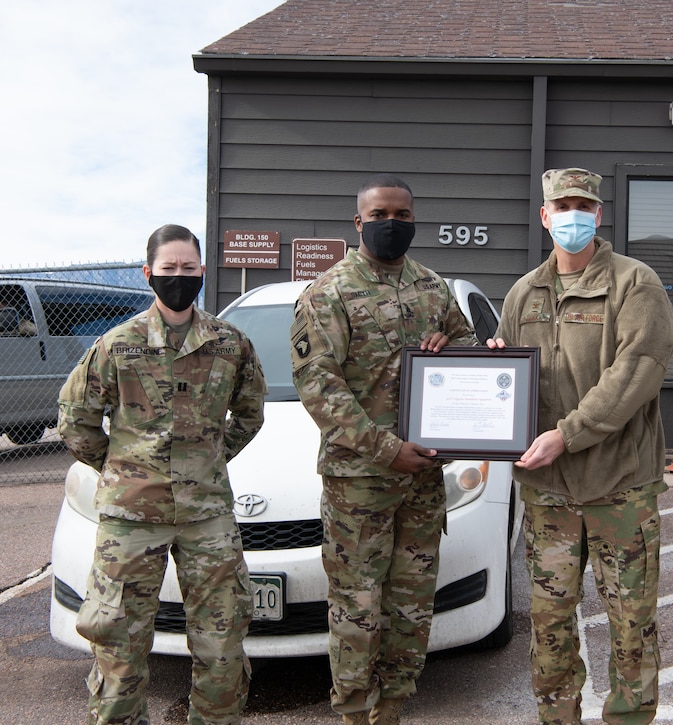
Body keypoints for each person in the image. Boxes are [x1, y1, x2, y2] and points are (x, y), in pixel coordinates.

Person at [57, 223, 266, 725]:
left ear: (203, 272)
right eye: (169, 269)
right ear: (149, 273)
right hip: (131, 518)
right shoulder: (117, 345)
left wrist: (209, 460)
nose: (179, 277)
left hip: (206, 517)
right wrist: (122, 467)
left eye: (188, 269)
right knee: (117, 645)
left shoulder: (230, 343)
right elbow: (74, 419)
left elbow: (251, 413)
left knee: (222, 646)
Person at [487, 168, 673, 725]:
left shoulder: (635, 283)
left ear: (598, 215)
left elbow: (636, 372)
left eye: (583, 206)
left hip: (621, 487)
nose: (573, 215)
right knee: (549, 624)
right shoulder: (525, 292)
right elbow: (514, 380)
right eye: (561, 206)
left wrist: (565, 436)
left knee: (631, 624)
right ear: (545, 216)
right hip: (549, 494)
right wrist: (494, 369)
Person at [290, 174, 479, 725]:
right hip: (361, 483)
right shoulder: (328, 293)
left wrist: (455, 346)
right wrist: (384, 448)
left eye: (401, 214)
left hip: (422, 477)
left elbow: (467, 348)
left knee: (412, 603)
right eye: (379, 215)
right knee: (358, 607)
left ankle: (393, 707)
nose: (391, 224)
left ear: (414, 220)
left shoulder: (432, 287)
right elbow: (319, 386)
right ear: (358, 222)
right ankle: (354, 711)